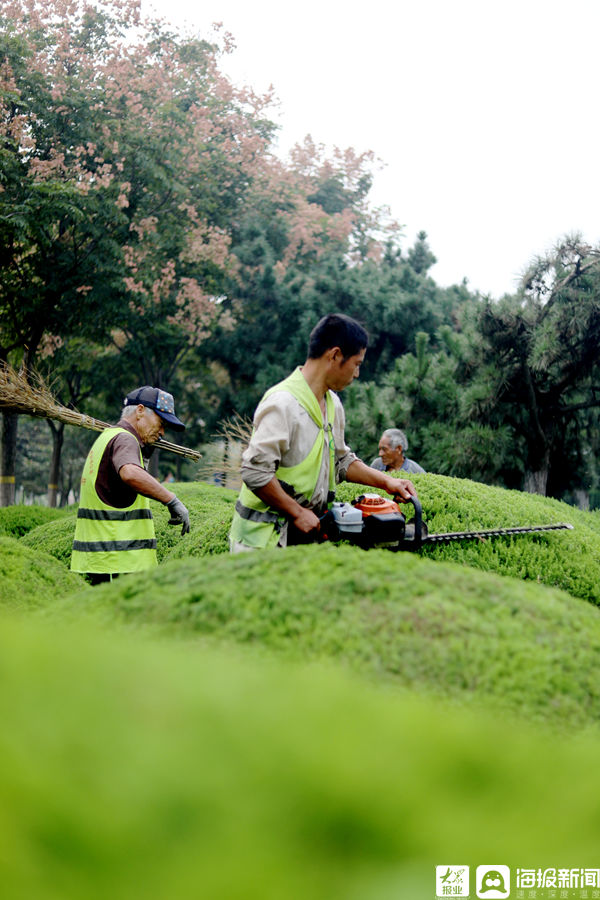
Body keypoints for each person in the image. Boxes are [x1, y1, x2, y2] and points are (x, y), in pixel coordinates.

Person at [229, 313, 417, 552]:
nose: (357, 374)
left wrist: (388, 481)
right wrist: (297, 511)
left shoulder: (333, 405)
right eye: (356, 364)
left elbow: (342, 461)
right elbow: (254, 472)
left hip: (301, 538)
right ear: (335, 355)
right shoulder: (282, 403)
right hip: (259, 542)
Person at [71, 386, 191, 584]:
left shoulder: (107, 437)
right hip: (117, 564)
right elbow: (130, 473)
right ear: (140, 411)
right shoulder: (126, 440)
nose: (162, 432)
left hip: (100, 561)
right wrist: (171, 500)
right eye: (161, 423)